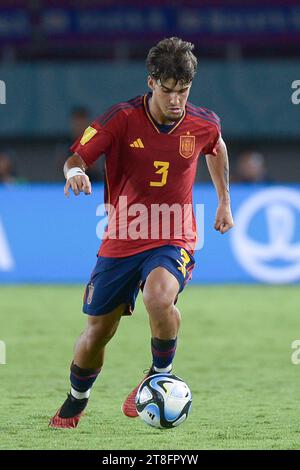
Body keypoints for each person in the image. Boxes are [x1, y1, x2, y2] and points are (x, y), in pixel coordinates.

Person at [49, 37, 234, 429]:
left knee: (159, 294)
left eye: (183, 91)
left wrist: (224, 201)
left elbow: (216, 148)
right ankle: (76, 399)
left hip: (174, 233)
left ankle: (156, 376)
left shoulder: (203, 123)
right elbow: (76, 155)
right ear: (151, 82)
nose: (176, 101)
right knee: (98, 331)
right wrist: (76, 172)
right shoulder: (121, 118)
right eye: (168, 91)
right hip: (122, 235)